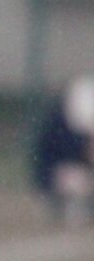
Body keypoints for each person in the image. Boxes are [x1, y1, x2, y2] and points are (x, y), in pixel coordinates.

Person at [31, 76, 94, 227]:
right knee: (76, 180)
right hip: (55, 175)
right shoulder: (58, 129)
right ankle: (65, 205)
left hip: (72, 172)